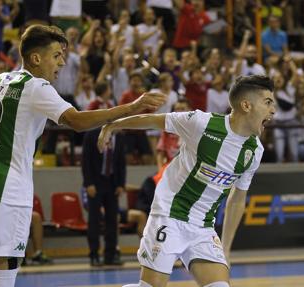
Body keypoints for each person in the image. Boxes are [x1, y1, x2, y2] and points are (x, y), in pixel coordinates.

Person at [0, 24, 165, 287]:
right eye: (56, 55)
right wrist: (132, 107)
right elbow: (77, 122)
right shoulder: (36, 87)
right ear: (36, 58)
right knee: (3, 277)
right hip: (8, 194)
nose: (62, 62)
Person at [98, 75, 276, 287]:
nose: (273, 110)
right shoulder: (202, 123)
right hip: (169, 216)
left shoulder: (255, 151)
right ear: (246, 105)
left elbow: (237, 200)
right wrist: (113, 125)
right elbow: (154, 120)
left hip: (203, 227)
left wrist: (226, 248)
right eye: (267, 102)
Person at [82, 126, 126, 266]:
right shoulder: (91, 134)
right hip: (95, 182)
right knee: (94, 220)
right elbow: (85, 160)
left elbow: (121, 162)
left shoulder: (119, 136)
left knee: (112, 221)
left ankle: (110, 255)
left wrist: (121, 184)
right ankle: (94, 254)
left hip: (112, 183)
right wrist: (88, 183)